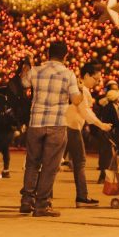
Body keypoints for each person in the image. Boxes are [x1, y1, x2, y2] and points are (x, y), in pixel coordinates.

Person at [19, 41, 83, 217]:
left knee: (32, 163)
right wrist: (80, 90)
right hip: (56, 124)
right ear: (65, 56)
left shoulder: (36, 70)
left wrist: (26, 67)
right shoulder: (68, 74)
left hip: (36, 122)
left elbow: (24, 83)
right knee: (50, 166)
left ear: (48, 53)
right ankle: (41, 205)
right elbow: (76, 100)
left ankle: (26, 200)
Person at [66, 62, 112, 208]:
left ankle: (41, 195)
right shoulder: (82, 90)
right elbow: (85, 112)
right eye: (96, 79)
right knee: (80, 162)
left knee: (52, 162)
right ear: (86, 75)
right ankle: (82, 196)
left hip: (64, 126)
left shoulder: (75, 87)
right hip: (72, 128)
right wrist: (101, 125)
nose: (97, 83)